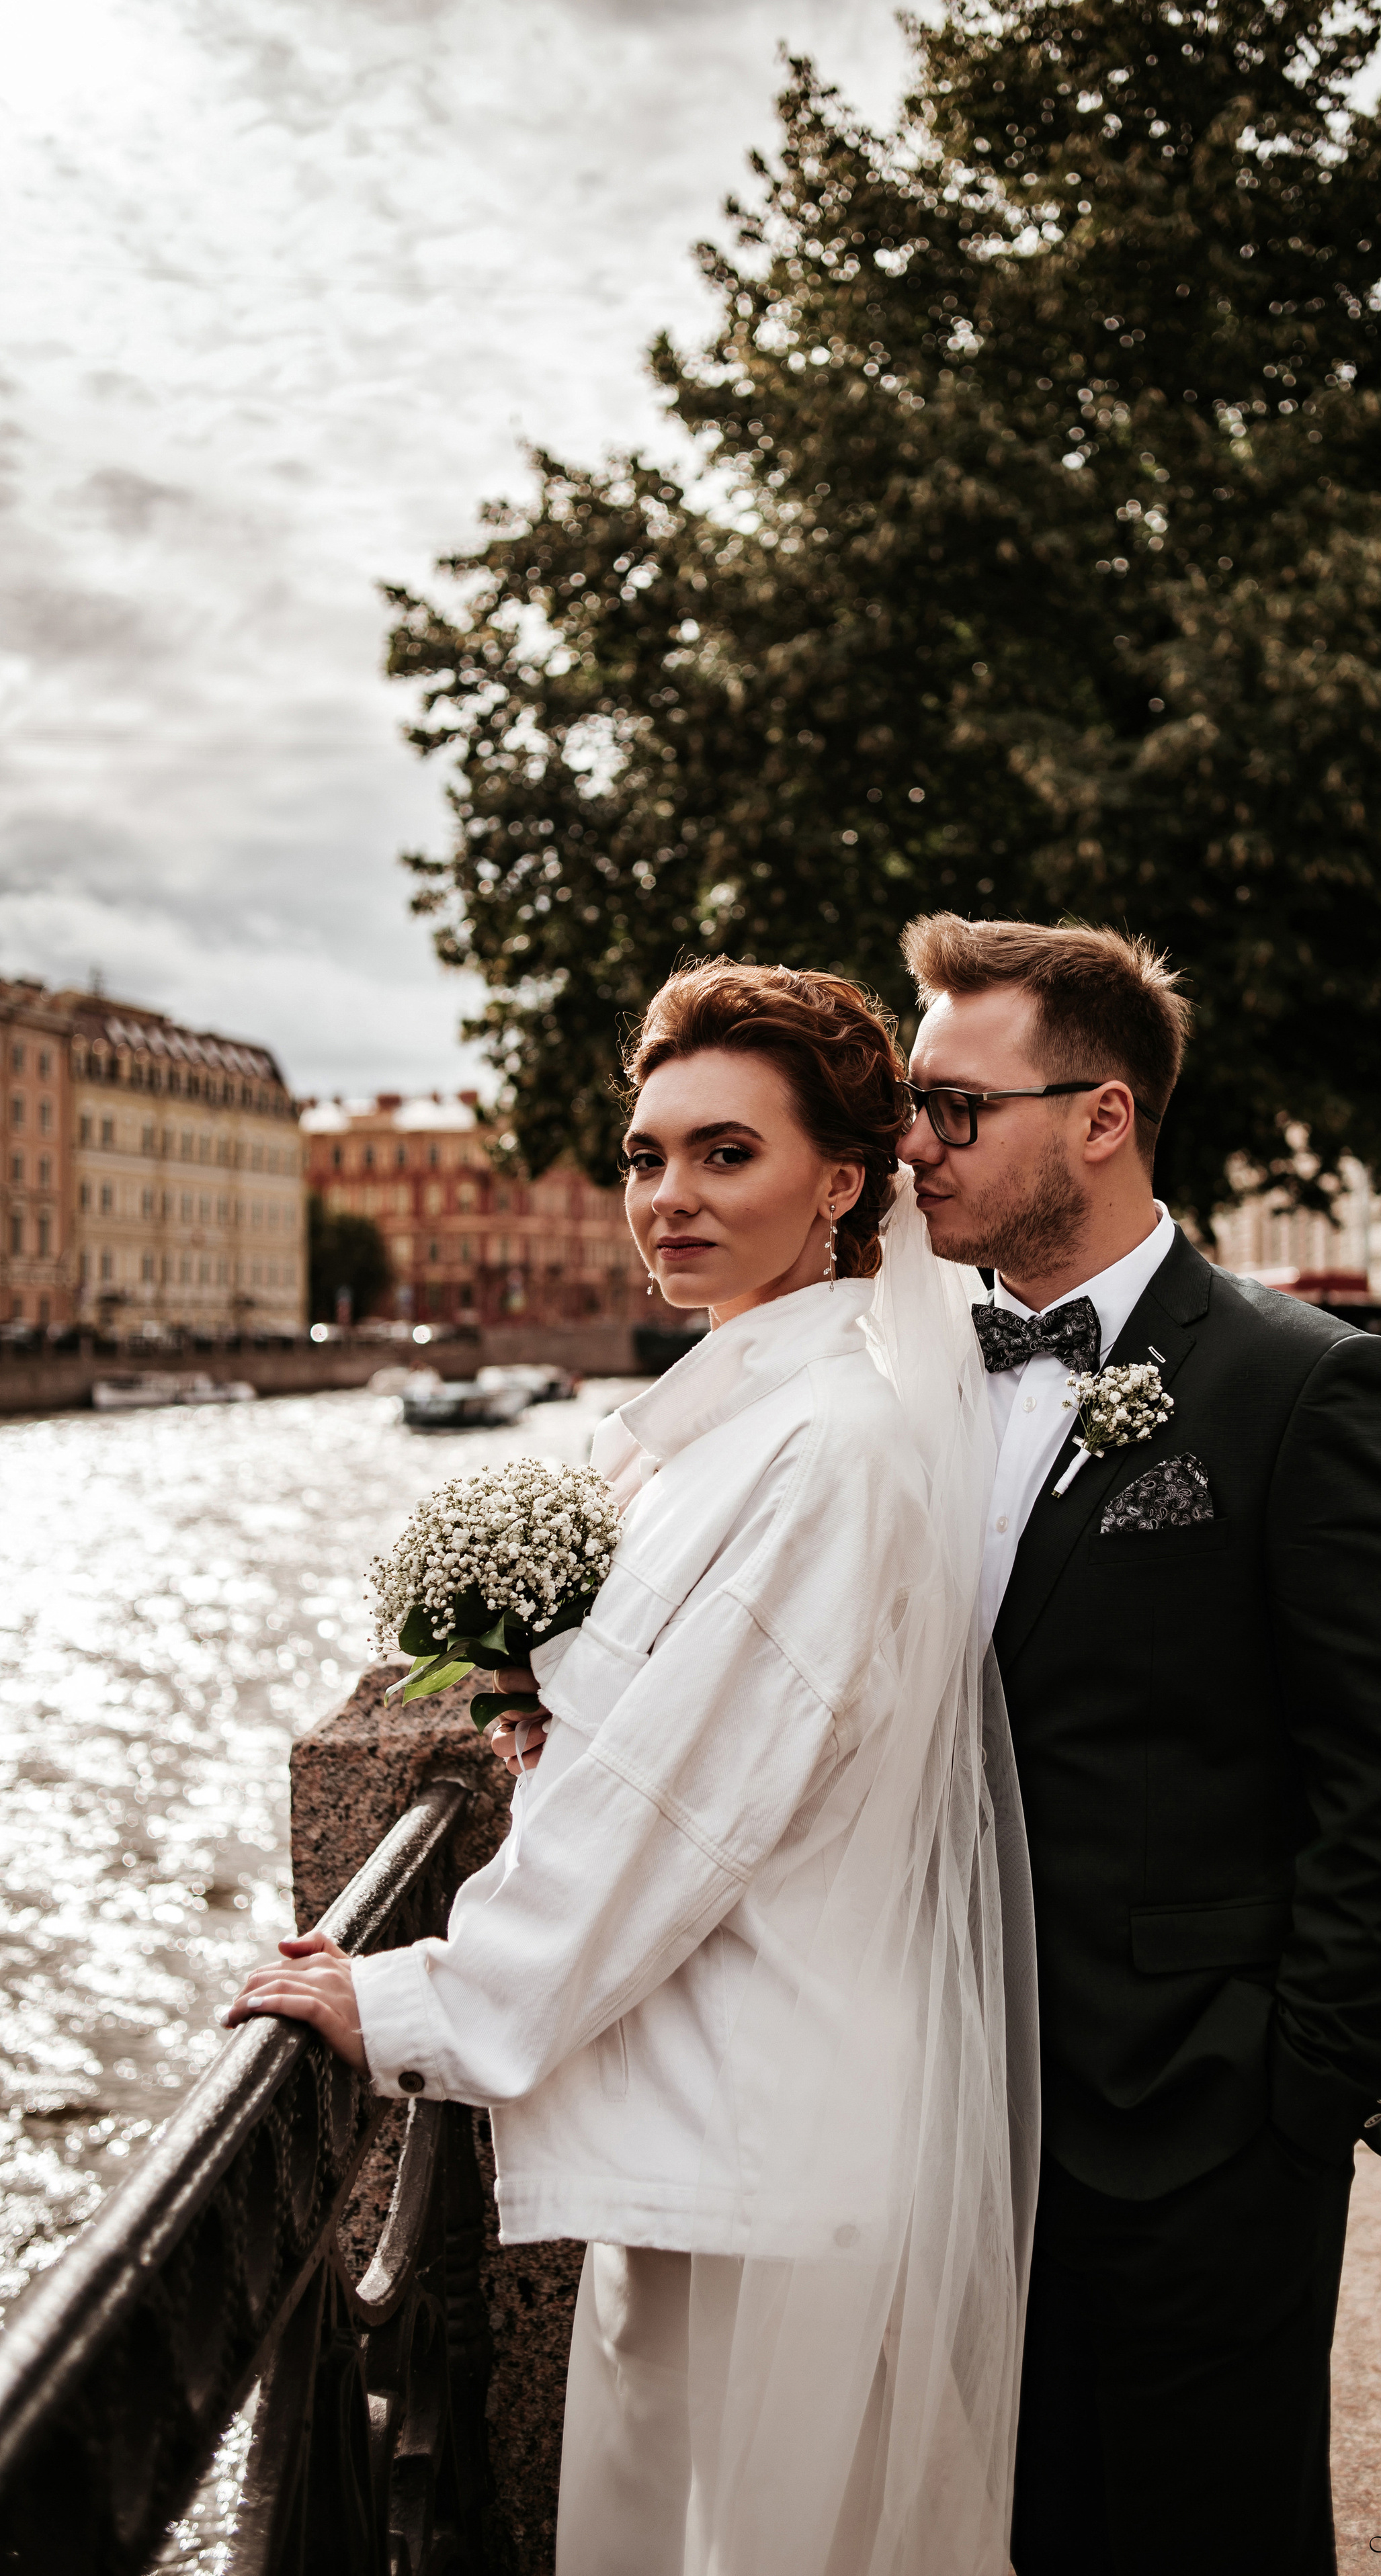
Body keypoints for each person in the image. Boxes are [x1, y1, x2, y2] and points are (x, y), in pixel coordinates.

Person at [226, 962, 1038, 2576]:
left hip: (764, 2146)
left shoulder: (825, 1450)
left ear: (843, 1183)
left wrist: (407, 2002)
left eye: (723, 1154)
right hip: (697, 2130)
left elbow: (674, 1809)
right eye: (644, 1156)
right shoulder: (721, 1428)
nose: (665, 1198)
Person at [895, 914, 1381, 2576]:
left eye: (955, 1108)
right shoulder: (908, 1383)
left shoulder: (1309, 1389)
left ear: (1100, 1116)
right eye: (909, 1111)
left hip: (1196, 2131)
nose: (914, 1147)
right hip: (945, 2123)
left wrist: (1295, 2097)